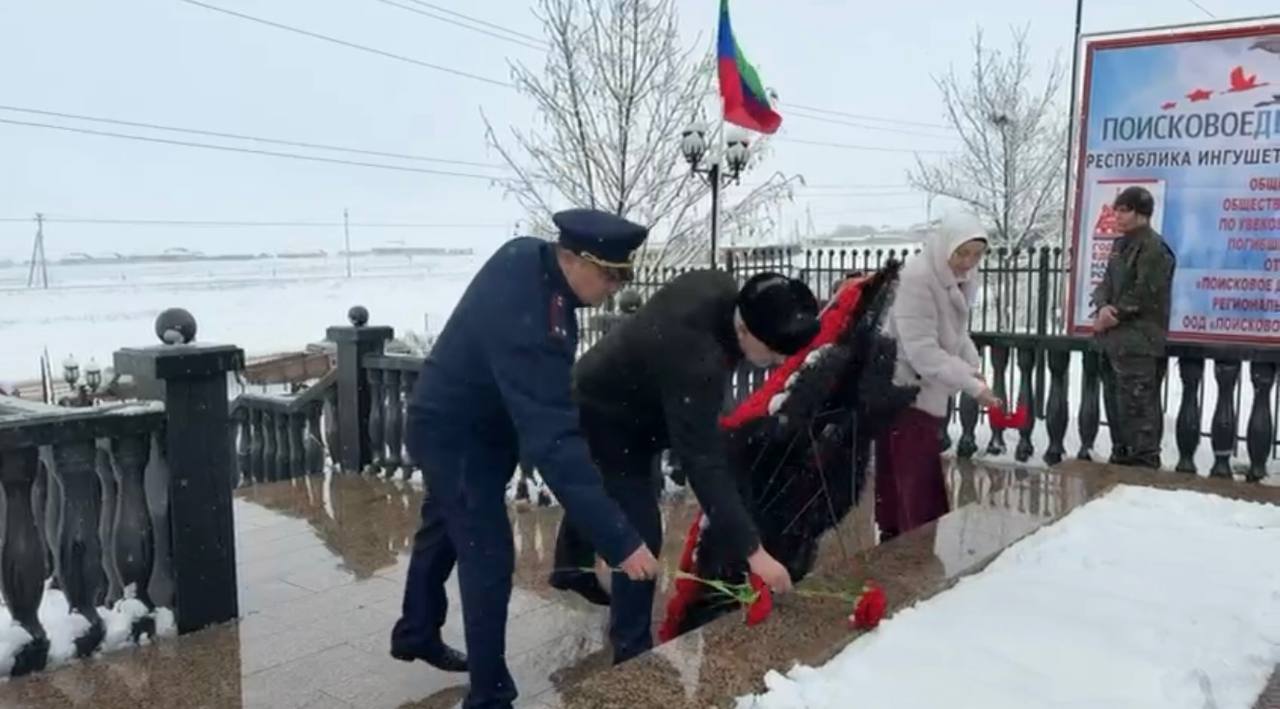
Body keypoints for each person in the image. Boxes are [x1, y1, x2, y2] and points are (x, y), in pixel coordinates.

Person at [391, 208, 661, 709]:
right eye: (608, 274)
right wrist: (621, 541)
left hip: (469, 423)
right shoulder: (537, 322)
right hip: (456, 434)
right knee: (488, 554)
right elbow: (553, 440)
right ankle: (490, 695)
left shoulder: (528, 256)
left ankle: (415, 630)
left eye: (621, 276)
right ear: (574, 258)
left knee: (443, 525)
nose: (614, 288)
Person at [549, 269, 820, 664]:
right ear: (745, 333)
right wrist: (755, 553)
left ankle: (571, 567)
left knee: (611, 495)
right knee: (640, 538)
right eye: (776, 353)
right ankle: (632, 656)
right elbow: (703, 464)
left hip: (637, 399)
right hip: (605, 416)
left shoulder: (722, 291)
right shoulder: (697, 359)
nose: (777, 362)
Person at [877, 212, 1001, 541]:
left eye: (977, 254)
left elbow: (956, 335)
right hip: (903, 388)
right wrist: (972, 385)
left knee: (915, 475)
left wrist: (972, 365)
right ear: (946, 247)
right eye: (963, 253)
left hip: (924, 387)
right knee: (912, 479)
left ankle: (906, 543)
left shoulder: (958, 277)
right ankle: (907, 548)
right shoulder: (917, 279)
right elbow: (922, 351)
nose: (969, 261)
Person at [1092, 186, 1176, 469]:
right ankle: (1122, 455)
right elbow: (1105, 284)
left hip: (1141, 343)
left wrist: (1112, 313)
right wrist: (1102, 305)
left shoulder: (1154, 248)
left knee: (1139, 409)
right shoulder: (1119, 245)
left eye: (1124, 210)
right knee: (1116, 406)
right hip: (1114, 342)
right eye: (1116, 209)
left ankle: (1142, 466)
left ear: (1142, 213)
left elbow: (1145, 293)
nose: (1118, 215)